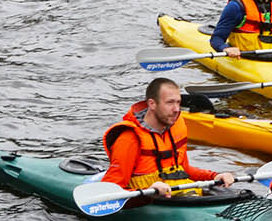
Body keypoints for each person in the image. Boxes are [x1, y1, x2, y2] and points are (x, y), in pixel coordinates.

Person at [100, 77, 235, 196]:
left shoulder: (176, 127)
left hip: (179, 193)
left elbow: (184, 170)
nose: (177, 109)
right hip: (149, 200)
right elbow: (110, 189)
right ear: (152, 104)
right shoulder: (129, 138)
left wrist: (214, 176)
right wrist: (147, 191)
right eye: (170, 102)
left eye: (178, 102)